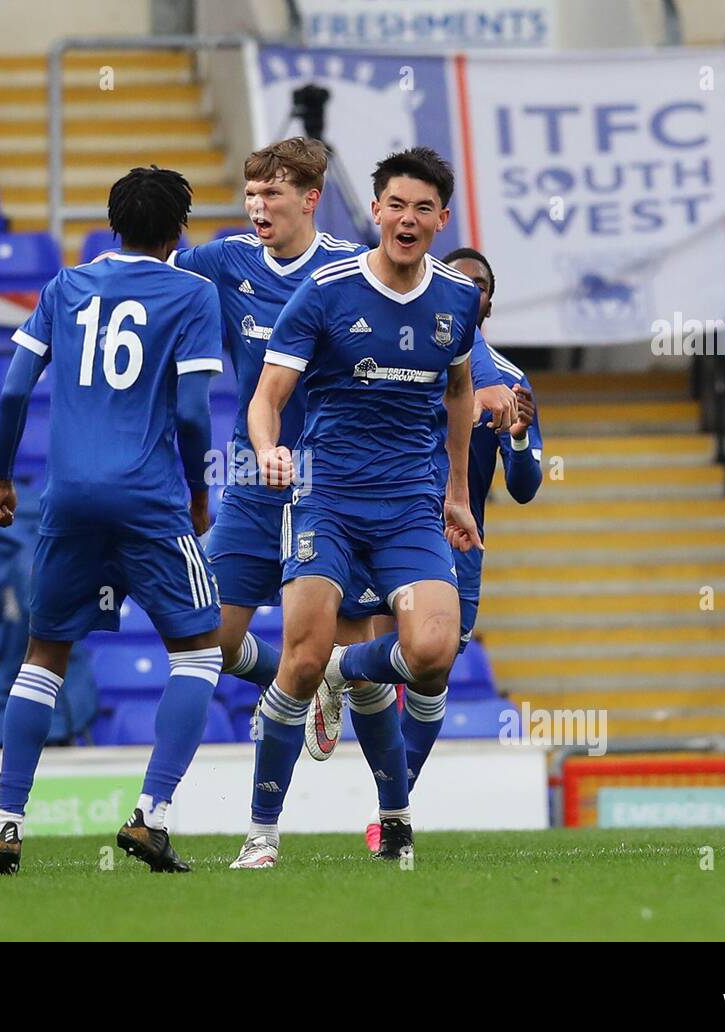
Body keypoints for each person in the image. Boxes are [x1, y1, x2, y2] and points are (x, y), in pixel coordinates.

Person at [229, 147, 516, 868]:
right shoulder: (326, 292)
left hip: (409, 508)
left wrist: (457, 492)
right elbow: (268, 397)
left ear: (441, 219)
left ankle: (349, 679)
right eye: (395, 205)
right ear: (376, 213)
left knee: (433, 654)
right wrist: (268, 447)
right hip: (325, 497)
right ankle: (263, 833)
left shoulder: (455, 298)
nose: (408, 219)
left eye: (424, 208)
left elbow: (457, 394)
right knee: (296, 657)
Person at [0, 166, 224, 876]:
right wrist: (200, 496)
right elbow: (193, 412)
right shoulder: (192, 292)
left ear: (112, 225)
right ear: (179, 231)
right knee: (200, 653)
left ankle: (6, 828)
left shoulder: (65, 286)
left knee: (42, 658)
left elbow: (15, 387)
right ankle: (152, 817)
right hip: (147, 497)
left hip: (68, 497)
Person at [307, 247, 545, 852]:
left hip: (459, 541)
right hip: (389, 520)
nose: (467, 290)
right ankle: (391, 815)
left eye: (480, 284)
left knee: (431, 668)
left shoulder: (511, 380)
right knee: (387, 649)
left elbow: (524, 488)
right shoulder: (406, 351)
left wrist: (517, 438)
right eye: (457, 279)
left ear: (487, 300)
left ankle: (338, 675)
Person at [168, 137, 364, 689]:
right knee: (210, 640)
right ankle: (296, 682)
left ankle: (371, 751)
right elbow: (150, 272)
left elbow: (433, 312)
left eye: (271, 193)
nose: (256, 206)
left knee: (355, 660)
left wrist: (489, 377)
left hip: (337, 479)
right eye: (250, 193)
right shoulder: (228, 260)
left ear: (310, 199)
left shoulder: (351, 269)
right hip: (255, 474)